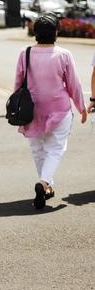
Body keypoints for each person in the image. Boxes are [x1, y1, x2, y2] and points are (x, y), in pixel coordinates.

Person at [14, 13, 87, 209]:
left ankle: (46, 184)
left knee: (38, 149)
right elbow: (74, 85)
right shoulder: (63, 54)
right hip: (59, 109)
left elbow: (18, 83)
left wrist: (16, 108)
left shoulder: (25, 53)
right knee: (55, 149)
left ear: (35, 33)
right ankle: (44, 182)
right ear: (56, 32)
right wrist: (81, 107)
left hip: (32, 110)